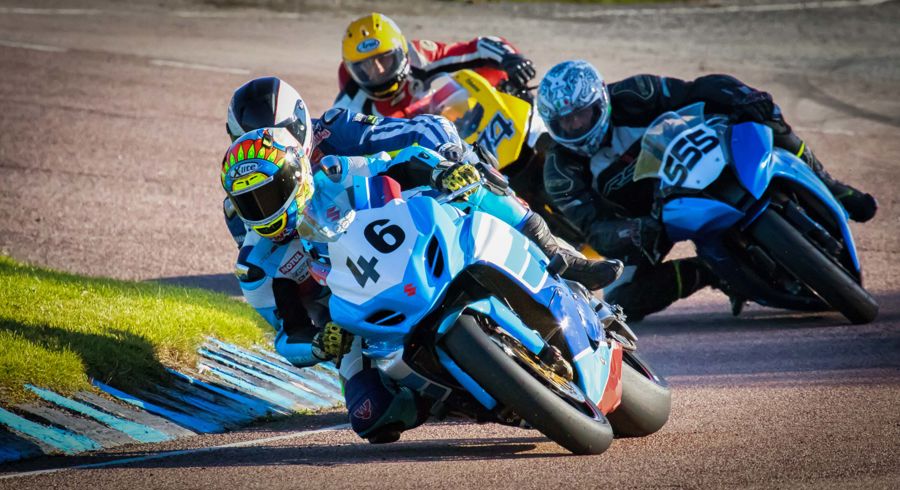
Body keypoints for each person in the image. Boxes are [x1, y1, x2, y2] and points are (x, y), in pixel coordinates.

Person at [220, 127, 621, 443]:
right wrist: (317, 344)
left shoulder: (336, 173)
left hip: (408, 254)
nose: (263, 209)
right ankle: (471, 399)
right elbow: (285, 335)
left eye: (269, 193)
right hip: (354, 321)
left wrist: (440, 170)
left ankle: (560, 259)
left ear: (295, 175)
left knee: (474, 189)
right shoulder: (257, 264)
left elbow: (402, 160)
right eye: (250, 203)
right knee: (370, 416)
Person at [536, 60, 878, 321]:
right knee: (621, 298)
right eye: (565, 122)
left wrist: (745, 98)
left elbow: (698, 89)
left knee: (763, 112)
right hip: (653, 217)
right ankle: (710, 271)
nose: (575, 127)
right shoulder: (560, 172)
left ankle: (832, 185)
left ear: (600, 100)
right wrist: (637, 230)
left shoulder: (634, 93)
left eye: (581, 116)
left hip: (699, 155)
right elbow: (595, 230)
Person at [333, 12, 536, 117]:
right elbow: (329, 143)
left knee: (492, 72)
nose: (377, 70)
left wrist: (512, 59)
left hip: (449, 129)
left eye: (384, 59)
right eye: (365, 67)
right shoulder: (348, 105)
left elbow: (480, 47)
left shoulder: (420, 56)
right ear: (352, 70)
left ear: (402, 52)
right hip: (402, 167)